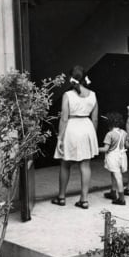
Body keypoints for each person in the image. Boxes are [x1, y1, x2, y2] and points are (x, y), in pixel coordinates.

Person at [52, 65, 99, 209]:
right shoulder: (93, 94)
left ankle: (61, 197)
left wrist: (60, 138)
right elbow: (95, 119)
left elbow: (64, 119)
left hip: (72, 127)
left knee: (65, 164)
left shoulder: (68, 95)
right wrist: (93, 136)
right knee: (85, 165)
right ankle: (84, 199)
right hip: (87, 126)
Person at [100, 112, 128, 206]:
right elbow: (127, 145)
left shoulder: (110, 134)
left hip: (113, 157)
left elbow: (105, 149)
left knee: (118, 177)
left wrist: (95, 149)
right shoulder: (124, 132)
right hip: (122, 156)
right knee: (114, 173)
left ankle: (121, 199)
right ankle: (113, 192)